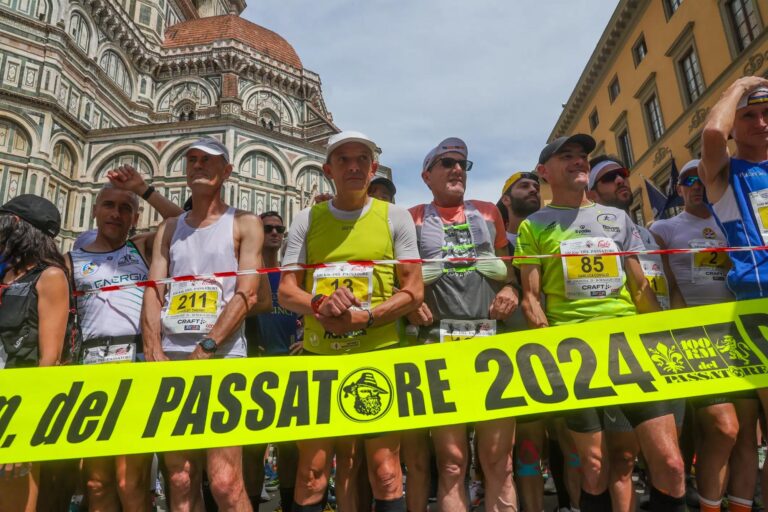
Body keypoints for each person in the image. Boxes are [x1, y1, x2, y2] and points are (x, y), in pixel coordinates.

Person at [515, 134, 686, 512]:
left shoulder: (619, 219)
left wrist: (659, 338)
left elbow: (641, 287)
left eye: (582, 157)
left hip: (628, 347)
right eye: (567, 157)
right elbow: (531, 298)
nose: (579, 162)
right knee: (594, 467)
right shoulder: (534, 226)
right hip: (574, 352)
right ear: (545, 172)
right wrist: (548, 347)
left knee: (671, 465)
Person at [278, 130, 423, 512]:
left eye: (362, 159)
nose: (354, 166)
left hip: (379, 355)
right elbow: (286, 291)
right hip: (320, 357)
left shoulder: (396, 217)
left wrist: (367, 317)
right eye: (343, 159)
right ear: (328, 169)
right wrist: (321, 303)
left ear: (373, 168)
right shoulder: (307, 219)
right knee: (312, 471)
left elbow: (413, 291)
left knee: (386, 471)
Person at [141, 136, 268, 511]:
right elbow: (154, 289)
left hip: (223, 360)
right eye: (192, 159)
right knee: (179, 479)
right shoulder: (169, 228)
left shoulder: (244, 223)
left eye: (208, 160)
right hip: (171, 360)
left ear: (226, 171)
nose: (198, 165)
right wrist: (152, 348)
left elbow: (249, 293)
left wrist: (208, 346)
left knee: (226, 482)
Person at [407, 137, 519, 512]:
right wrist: (410, 306)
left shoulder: (489, 211)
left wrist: (512, 290)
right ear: (427, 175)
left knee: (499, 462)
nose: (457, 169)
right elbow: (398, 280)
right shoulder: (412, 217)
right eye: (447, 163)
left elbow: (510, 271)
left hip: (491, 341)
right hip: (438, 343)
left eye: (463, 164)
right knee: (452, 462)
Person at [67, 165, 183, 511]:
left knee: (129, 480)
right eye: (109, 206)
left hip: (135, 361)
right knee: (96, 481)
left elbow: (185, 225)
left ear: (136, 217)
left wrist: (143, 189)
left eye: (125, 208)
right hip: (89, 366)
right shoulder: (72, 259)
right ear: (94, 211)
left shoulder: (142, 249)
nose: (116, 214)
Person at [651, 158, 757, 512]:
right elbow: (664, 287)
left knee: (744, 437)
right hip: (694, 340)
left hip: (739, 333)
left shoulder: (735, 225)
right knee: (721, 429)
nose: (697, 185)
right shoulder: (663, 228)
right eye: (688, 180)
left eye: (704, 178)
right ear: (679, 189)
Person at [586, 155, 687, 511]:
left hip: (663, 343)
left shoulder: (652, 233)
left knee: (671, 460)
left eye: (623, 175)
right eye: (609, 178)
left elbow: (671, 285)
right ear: (593, 193)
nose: (621, 181)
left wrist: (671, 323)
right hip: (624, 351)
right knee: (624, 459)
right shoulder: (590, 236)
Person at [699, 77, 768, 511]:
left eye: (766, 114)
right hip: (759, 305)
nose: (761, 123)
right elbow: (709, 135)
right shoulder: (725, 174)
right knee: (742, 435)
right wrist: (741, 83)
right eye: (749, 116)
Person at [0, 195, 70, 511]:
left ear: (16, 224)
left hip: (16, 402)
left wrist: (24, 431)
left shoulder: (49, 277)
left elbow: (49, 360)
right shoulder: (4, 273)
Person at [242, 210, 301, 512]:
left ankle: (288, 505)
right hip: (254, 367)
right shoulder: (245, 274)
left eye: (280, 229)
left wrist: (306, 339)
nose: (275, 233)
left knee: (290, 448)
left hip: (289, 368)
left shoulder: (290, 277)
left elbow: (305, 315)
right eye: (268, 228)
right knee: (253, 449)